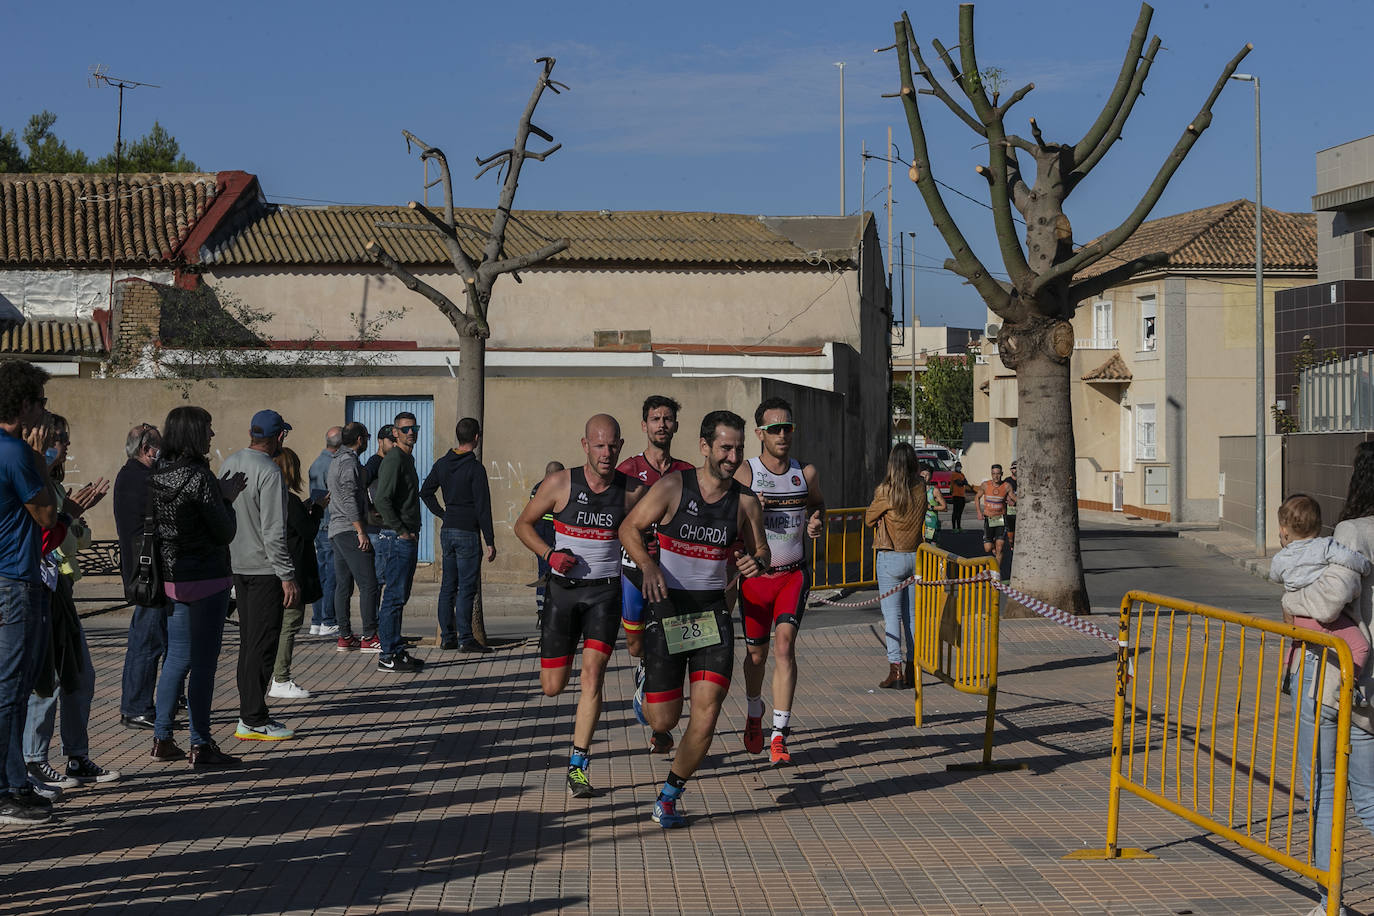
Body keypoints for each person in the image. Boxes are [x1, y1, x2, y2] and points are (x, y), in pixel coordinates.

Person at [619, 410, 768, 829]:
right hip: (668, 609)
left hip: (711, 614)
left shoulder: (745, 501)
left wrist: (756, 561)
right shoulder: (673, 487)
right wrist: (648, 565)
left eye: (739, 448)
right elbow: (629, 528)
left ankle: (669, 796)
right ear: (705, 447)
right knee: (664, 721)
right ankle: (647, 681)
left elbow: (763, 550)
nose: (732, 456)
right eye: (725, 447)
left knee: (707, 712)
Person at [515, 414, 643, 799]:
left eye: (612, 445)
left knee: (593, 677)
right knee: (553, 687)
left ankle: (578, 765)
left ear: (621, 446)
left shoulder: (632, 491)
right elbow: (523, 524)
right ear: (585, 445)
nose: (606, 453)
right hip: (563, 593)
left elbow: (659, 525)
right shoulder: (559, 483)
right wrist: (549, 555)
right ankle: (575, 754)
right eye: (598, 445)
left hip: (604, 594)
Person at [1280, 447, 1374, 916]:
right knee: (1369, 796)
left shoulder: (1354, 532)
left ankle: (1327, 899)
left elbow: (1328, 600)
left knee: (1326, 788)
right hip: (1361, 687)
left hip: (1334, 681)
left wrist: (1290, 598)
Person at [24, 414, 117, 795]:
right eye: (59, 437)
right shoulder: (34, 483)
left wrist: (71, 521)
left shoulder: (55, 486)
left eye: (65, 438)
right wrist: (70, 520)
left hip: (60, 587)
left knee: (80, 676)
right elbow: (49, 536)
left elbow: (76, 538)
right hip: (40, 588)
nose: (66, 445)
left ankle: (76, 755)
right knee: (46, 681)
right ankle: (34, 759)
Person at [148, 406, 244, 768]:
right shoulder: (198, 476)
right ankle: (201, 745)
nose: (212, 435)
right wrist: (227, 499)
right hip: (207, 576)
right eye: (207, 428)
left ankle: (162, 738)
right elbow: (224, 530)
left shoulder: (158, 473)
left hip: (173, 578)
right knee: (203, 665)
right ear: (193, 433)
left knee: (176, 659)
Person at [735, 397, 824, 766]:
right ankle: (755, 711)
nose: (782, 434)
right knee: (757, 654)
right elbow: (726, 521)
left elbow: (818, 504)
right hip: (756, 579)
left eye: (788, 427)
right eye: (775, 429)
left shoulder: (805, 473)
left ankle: (779, 735)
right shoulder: (745, 472)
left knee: (785, 646)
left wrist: (817, 521)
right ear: (760, 434)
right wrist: (747, 513)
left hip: (792, 575)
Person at [0, 360, 61, 825]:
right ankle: (7, 788)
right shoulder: (17, 453)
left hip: (11, 576)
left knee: (14, 687)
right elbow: (45, 516)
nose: (44, 411)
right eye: (39, 401)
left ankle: (16, 781)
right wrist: (41, 460)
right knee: (12, 688)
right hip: (16, 578)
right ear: (22, 405)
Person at [616, 395, 694, 752]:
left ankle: (659, 724)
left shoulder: (687, 472)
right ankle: (644, 668)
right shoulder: (628, 471)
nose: (661, 424)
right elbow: (616, 520)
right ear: (644, 425)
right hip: (634, 568)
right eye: (655, 418)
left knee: (672, 644)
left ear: (676, 425)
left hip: (673, 573)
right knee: (635, 646)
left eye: (667, 418)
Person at [219, 410, 299, 742]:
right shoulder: (269, 472)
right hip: (265, 569)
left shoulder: (229, 463)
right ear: (279, 437)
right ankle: (252, 717)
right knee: (263, 645)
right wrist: (287, 575)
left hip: (237, 566)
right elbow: (274, 531)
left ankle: (250, 714)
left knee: (249, 645)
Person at [420, 417, 495, 653]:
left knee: (447, 586)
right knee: (466, 587)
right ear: (476, 437)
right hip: (467, 532)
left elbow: (425, 492)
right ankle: (466, 638)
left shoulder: (442, 463)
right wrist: (490, 541)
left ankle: (447, 637)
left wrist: (442, 513)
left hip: (448, 530)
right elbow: (483, 507)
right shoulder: (475, 468)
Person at [113, 422, 171, 728]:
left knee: (150, 639)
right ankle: (136, 706)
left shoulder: (129, 474)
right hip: (149, 573)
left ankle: (145, 701)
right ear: (147, 450)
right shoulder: (144, 479)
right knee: (147, 641)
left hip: (143, 571)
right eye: (159, 447)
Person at [865, 443, 927, 689]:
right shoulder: (921, 487)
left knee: (892, 616)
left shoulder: (885, 491)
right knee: (912, 617)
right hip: (916, 556)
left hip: (891, 557)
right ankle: (913, 670)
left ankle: (896, 670)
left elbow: (869, 518)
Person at [372, 412, 426, 673]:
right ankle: (387, 655)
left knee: (399, 596)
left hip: (404, 536)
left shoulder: (407, 458)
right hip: (396, 539)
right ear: (395, 432)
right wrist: (401, 530)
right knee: (393, 596)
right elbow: (382, 499)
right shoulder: (394, 459)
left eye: (414, 427)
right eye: (405, 429)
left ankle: (395, 648)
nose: (411, 432)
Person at [269, 447, 324, 699]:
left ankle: (276, 677)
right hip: (291, 571)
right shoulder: (286, 498)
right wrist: (318, 510)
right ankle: (281, 678)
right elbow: (307, 531)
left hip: (272, 571)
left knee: (276, 626)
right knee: (289, 625)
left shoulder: (271, 498)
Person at [327, 422, 378, 653]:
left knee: (343, 585)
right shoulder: (348, 462)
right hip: (349, 530)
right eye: (366, 436)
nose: (367, 440)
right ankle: (369, 635)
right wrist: (360, 530)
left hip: (337, 529)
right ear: (359, 439)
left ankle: (345, 636)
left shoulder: (337, 459)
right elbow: (348, 496)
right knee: (369, 583)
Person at [307, 426, 342, 637]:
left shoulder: (316, 463)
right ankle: (328, 619)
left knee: (321, 574)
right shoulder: (334, 465)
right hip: (330, 525)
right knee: (332, 576)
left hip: (319, 524)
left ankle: (317, 620)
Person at [529, 460, 565, 628]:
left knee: (542, 573)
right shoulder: (556, 488)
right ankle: (550, 612)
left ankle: (542, 611)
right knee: (554, 575)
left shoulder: (536, 488)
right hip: (552, 535)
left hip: (538, 535)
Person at [365, 424, 395, 602]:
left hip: (389, 528)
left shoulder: (393, 461)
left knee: (387, 579)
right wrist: (371, 508)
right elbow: (360, 486)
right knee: (377, 579)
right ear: (379, 441)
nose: (393, 445)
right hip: (377, 530)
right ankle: (373, 624)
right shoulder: (375, 463)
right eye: (390, 441)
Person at [976, 463, 1015, 566]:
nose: (996, 476)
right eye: (994, 474)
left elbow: (1013, 497)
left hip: (1001, 519)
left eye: (998, 474)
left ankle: (996, 574)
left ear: (1001, 474)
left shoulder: (1006, 486)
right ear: (991, 474)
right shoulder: (985, 485)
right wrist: (979, 512)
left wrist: (1016, 502)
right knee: (988, 548)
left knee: (1000, 547)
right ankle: (993, 546)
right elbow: (977, 497)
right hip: (989, 519)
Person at [919, 464, 947, 545]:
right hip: (919, 524)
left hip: (931, 525)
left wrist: (930, 507)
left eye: (927, 475)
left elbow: (944, 507)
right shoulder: (915, 490)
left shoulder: (934, 491)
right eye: (923, 474)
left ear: (931, 477)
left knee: (932, 549)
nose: (924, 476)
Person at [947, 461, 968, 531]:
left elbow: (966, 482)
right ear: (955, 467)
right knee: (955, 512)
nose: (959, 467)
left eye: (960, 466)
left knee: (960, 512)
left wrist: (962, 482)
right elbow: (959, 483)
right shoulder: (954, 474)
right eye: (958, 466)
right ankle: (954, 527)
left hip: (962, 495)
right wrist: (962, 482)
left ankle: (959, 527)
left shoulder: (962, 474)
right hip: (956, 495)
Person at [1005, 460, 1019, 548]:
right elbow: (1002, 493)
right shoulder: (1007, 481)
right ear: (1011, 469)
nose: (1016, 470)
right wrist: (1007, 499)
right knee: (1011, 532)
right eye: (1014, 468)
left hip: (1020, 511)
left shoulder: (1024, 481)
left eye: (1018, 468)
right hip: (1010, 511)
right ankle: (1011, 544)